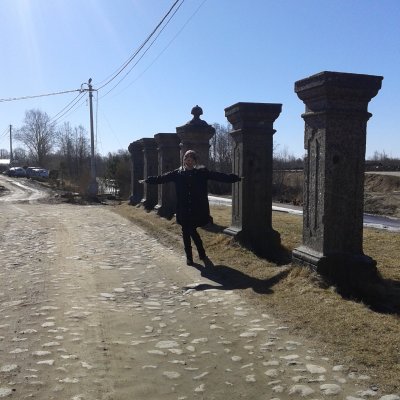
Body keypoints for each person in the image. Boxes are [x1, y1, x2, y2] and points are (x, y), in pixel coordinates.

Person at [139, 149, 241, 266]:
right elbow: (161, 178)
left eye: (191, 159)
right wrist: (148, 180)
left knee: (191, 230)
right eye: (187, 159)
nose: (189, 161)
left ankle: (201, 253)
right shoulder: (177, 173)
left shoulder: (202, 173)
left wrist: (234, 178)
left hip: (196, 208)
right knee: (186, 231)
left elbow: (218, 176)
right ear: (184, 160)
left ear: (195, 161)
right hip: (183, 208)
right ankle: (190, 257)